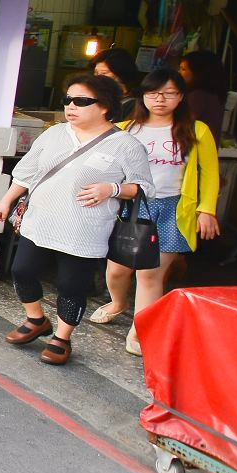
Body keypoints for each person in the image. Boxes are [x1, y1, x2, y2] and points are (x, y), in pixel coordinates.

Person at [0, 74, 152, 366]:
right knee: (22, 270)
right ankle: (36, 319)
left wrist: (112, 189)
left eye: (81, 101)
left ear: (104, 107)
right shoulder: (54, 133)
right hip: (40, 220)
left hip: (84, 230)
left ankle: (62, 338)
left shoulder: (125, 144)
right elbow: (27, 173)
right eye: (68, 100)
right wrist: (6, 199)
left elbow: (144, 187)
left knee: (71, 285)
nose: (71, 107)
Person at [89, 67, 220, 355]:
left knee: (151, 275)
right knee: (117, 270)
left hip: (173, 208)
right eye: (153, 93)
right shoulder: (124, 129)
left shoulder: (197, 130)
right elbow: (101, 166)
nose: (160, 99)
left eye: (169, 93)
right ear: (143, 96)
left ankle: (140, 330)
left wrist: (207, 210)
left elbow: (210, 173)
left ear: (181, 97)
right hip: (131, 206)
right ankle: (118, 302)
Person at [179, 50, 228, 138]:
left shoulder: (198, 96)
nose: (179, 72)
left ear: (198, 73)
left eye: (183, 69)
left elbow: (183, 123)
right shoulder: (215, 94)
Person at [93, 48, 140, 119]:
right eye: (96, 73)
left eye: (104, 73)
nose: (98, 77)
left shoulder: (134, 104)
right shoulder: (98, 96)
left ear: (120, 74)